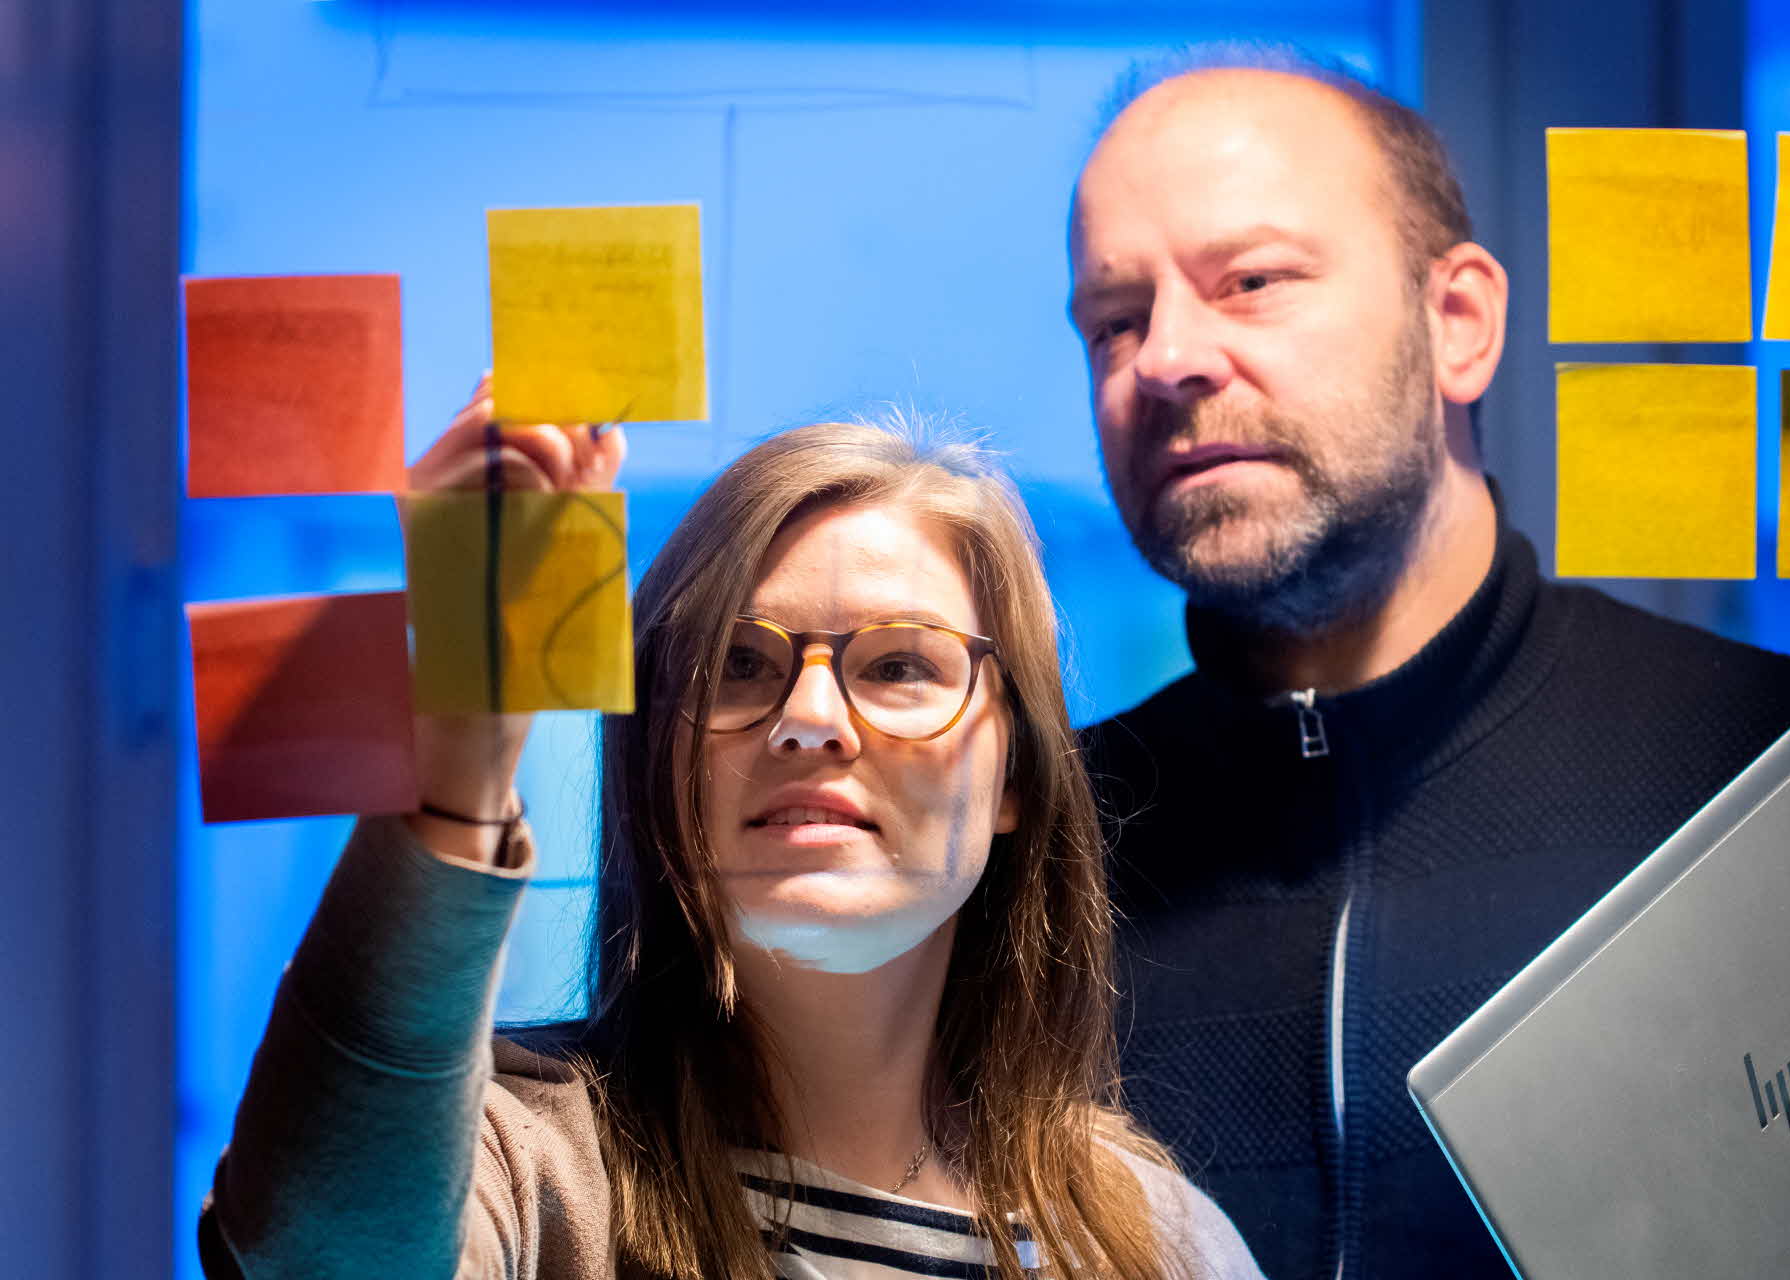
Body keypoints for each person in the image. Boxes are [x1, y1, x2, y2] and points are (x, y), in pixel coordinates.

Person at [1065, 46, 1790, 1280]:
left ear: (1457, 322)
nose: (1165, 359)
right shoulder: (1041, 858)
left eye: (1250, 280)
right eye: (1115, 318)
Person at [198, 384, 1263, 1279]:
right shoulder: (517, 1168)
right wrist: (458, 757)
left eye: (900, 664)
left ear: (1017, 773)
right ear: (659, 761)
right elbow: (319, 1255)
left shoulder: (1157, 1241)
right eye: (737, 665)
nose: (806, 719)